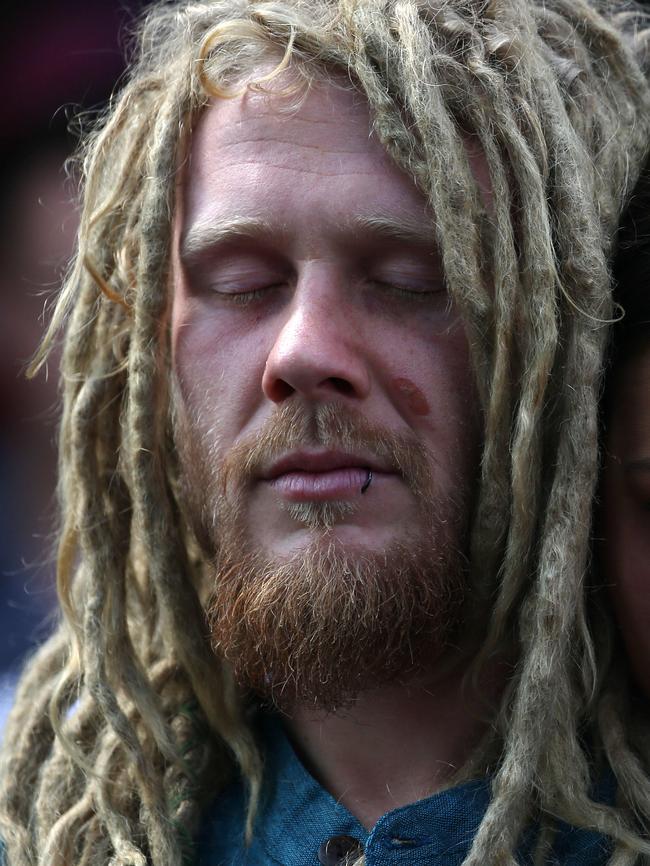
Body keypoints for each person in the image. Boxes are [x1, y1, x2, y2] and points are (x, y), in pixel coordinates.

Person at [1, 1, 650, 864]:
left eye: (412, 280)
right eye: (241, 283)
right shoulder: (51, 834)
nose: (304, 352)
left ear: (571, 337)